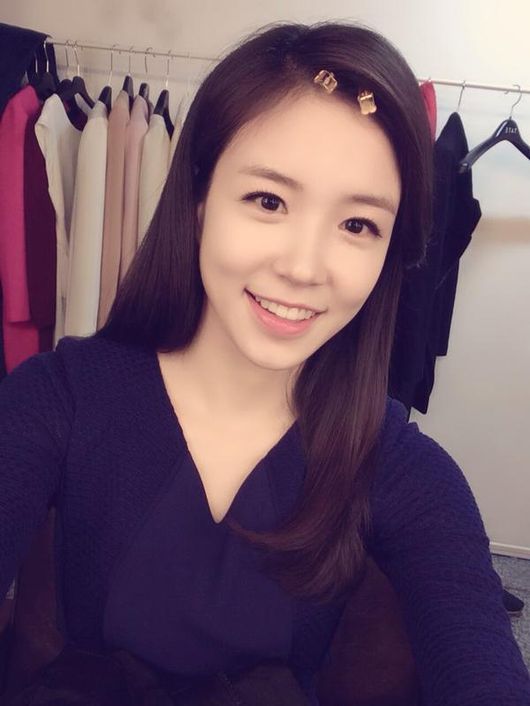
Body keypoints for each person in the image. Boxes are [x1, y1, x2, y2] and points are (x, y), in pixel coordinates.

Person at [1, 20, 529, 706]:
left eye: (358, 225)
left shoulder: (401, 469)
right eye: (268, 200)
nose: (304, 268)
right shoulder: (59, 398)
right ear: (199, 200)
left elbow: (479, 663)